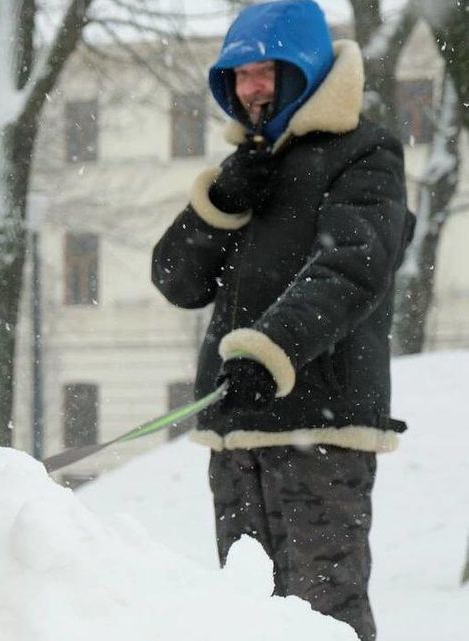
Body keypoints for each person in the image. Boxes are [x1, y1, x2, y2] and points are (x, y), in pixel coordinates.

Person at [150, 2, 415, 640]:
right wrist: (219, 203)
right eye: (239, 76)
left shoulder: (365, 151)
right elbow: (176, 281)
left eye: (267, 71)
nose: (253, 88)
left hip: (319, 428)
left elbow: (352, 267)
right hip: (237, 432)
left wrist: (269, 349)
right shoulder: (246, 168)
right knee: (247, 620)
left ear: (309, 70)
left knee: (323, 618)